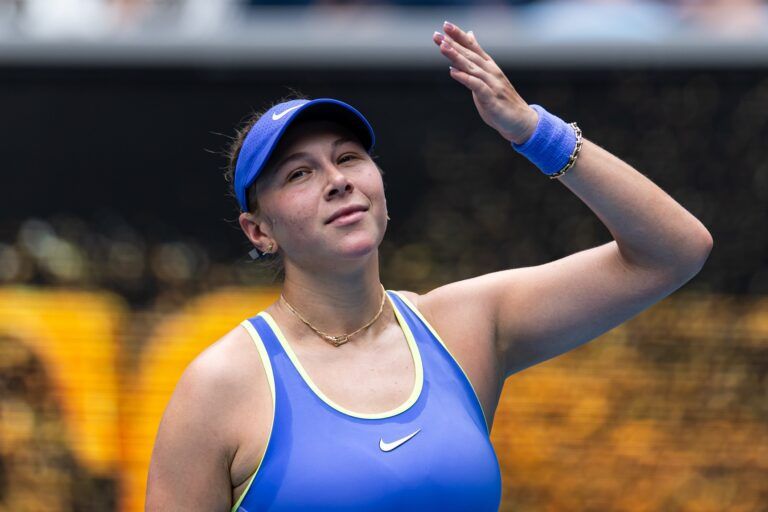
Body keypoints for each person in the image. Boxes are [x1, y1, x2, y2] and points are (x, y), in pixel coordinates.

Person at [145, 20, 713, 512]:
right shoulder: (219, 386)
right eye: (299, 173)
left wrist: (533, 132)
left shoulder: (465, 327)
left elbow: (674, 251)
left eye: (348, 158)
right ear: (259, 231)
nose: (337, 180)